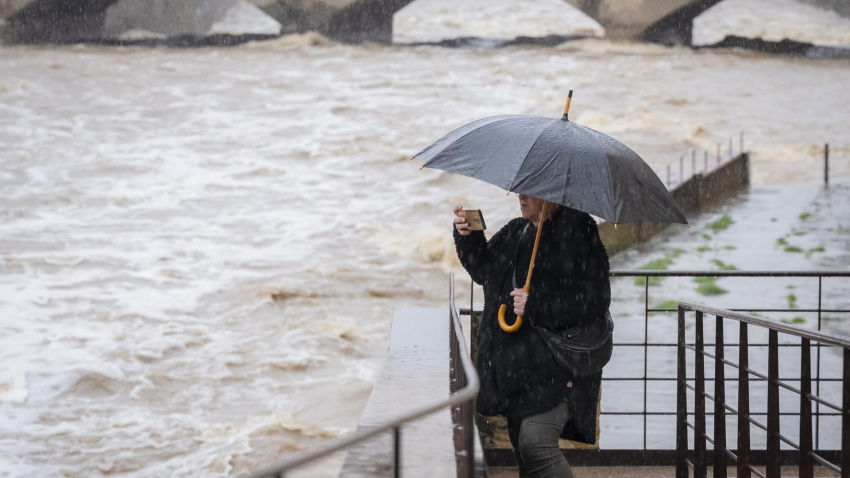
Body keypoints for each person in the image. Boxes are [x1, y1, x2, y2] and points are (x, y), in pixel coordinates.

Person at [453, 194, 611, 478]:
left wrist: (537, 305)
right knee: (524, 454)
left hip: (557, 369)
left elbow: (596, 299)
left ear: (551, 194)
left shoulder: (578, 229)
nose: (521, 194)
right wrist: (469, 237)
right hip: (518, 372)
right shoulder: (517, 229)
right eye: (520, 188)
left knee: (535, 444)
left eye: (529, 189)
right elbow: (484, 271)